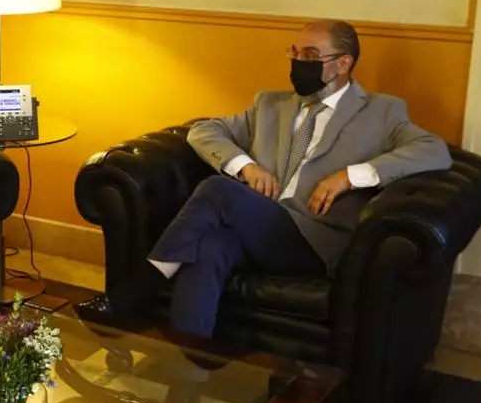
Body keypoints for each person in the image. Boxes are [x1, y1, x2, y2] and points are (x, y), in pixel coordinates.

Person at [105, 19, 452, 337]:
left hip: (314, 241)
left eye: (311, 55)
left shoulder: (381, 111)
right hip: (261, 224)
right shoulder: (270, 105)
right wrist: (245, 166)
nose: (299, 62)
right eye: (295, 53)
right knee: (208, 248)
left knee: (218, 189)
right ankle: (189, 369)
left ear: (343, 63)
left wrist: (351, 176)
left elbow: (433, 150)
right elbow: (204, 131)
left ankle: (141, 287)